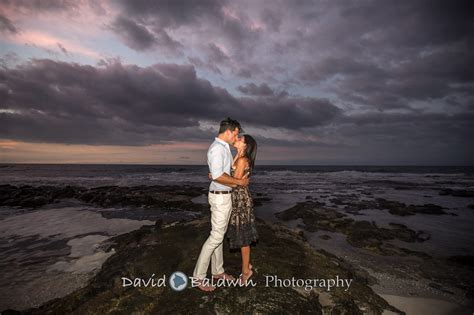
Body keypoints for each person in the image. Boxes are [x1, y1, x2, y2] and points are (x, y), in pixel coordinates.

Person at [193, 117, 250, 292]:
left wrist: (222, 177)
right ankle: (198, 277)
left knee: (219, 234)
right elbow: (219, 176)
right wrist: (238, 183)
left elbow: (218, 174)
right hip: (220, 197)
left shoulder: (224, 148)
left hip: (223, 196)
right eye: (236, 133)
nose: (237, 136)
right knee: (216, 237)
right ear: (229, 131)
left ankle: (217, 272)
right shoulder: (218, 149)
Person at [227, 134, 258, 285]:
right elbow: (236, 180)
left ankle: (246, 272)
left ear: (245, 146)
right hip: (239, 198)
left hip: (240, 201)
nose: (237, 139)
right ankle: (247, 266)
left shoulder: (242, 160)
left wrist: (216, 177)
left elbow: (233, 184)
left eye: (240, 139)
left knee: (243, 236)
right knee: (241, 234)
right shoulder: (238, 158)